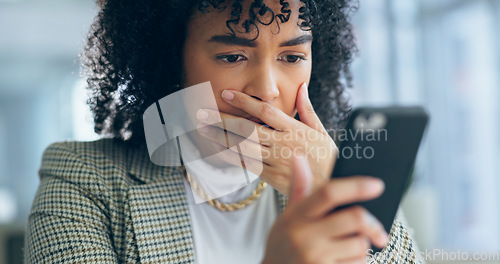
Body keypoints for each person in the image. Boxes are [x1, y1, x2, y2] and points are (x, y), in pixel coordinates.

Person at [25, 0, 424, 263]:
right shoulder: (80, 176)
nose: (267, 89)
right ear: (169, 64)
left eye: (293, 56)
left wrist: (341, 197)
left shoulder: (336, 168)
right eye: (232, 56)